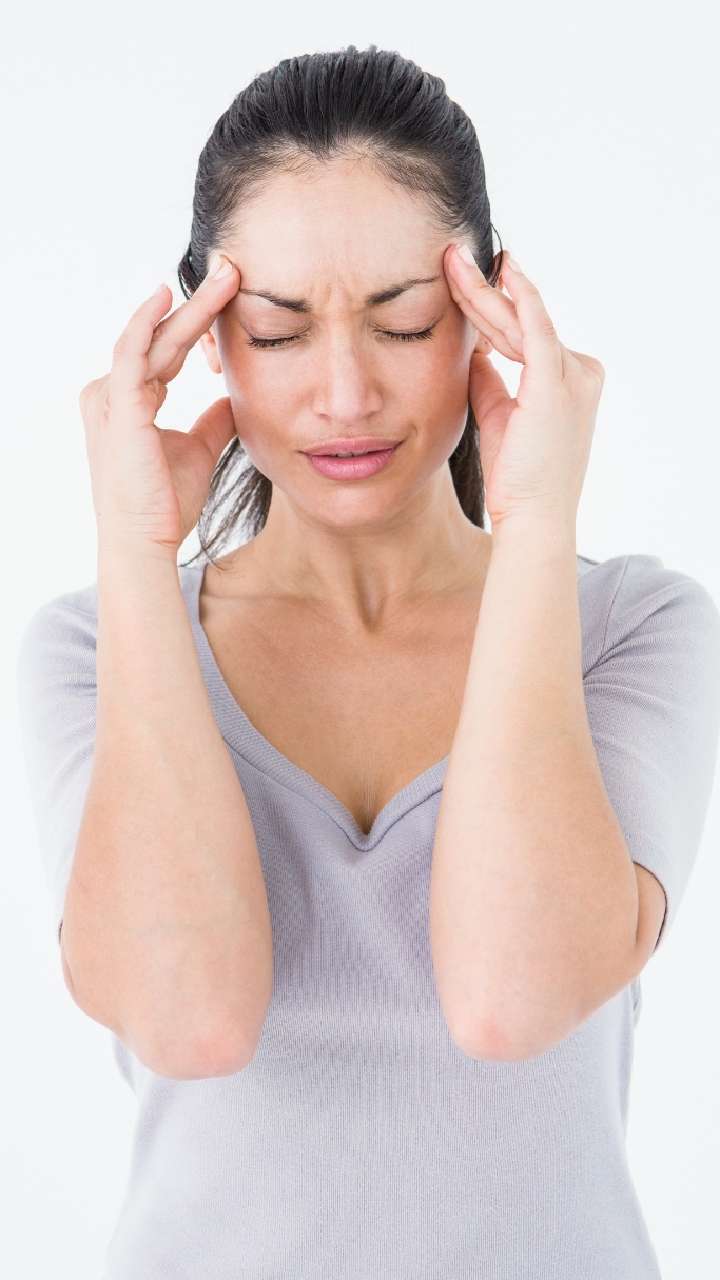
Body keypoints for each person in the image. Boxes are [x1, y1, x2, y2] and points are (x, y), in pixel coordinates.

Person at [15, 44, 720, 1280]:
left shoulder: (632, 627)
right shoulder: (90, 647)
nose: (345, 393)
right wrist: (135, 545)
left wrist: (536, 522)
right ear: (208, 341)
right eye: (279, 331)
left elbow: (510, 997)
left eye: (404, 321)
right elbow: (190, 1017)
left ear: (489, 315)